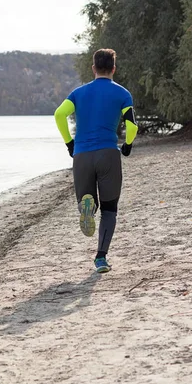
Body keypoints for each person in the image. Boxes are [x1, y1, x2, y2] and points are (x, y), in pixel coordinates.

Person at [54, 48, 138, 273]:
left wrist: (70, 144)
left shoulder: (78, 93)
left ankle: (88, 207)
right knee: (110, 209)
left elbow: (59, 115)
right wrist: (127, 146)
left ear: (93, 69)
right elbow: (131, 125)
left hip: (81, 156)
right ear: (113, 68)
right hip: (108, 154)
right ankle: (101, 258)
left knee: (87, 199)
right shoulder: (122, 94)